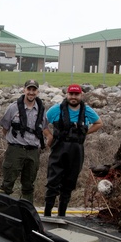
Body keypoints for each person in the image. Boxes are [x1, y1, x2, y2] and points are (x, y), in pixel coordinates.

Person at [43, 84, 102, 217]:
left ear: (81, 95)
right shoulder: (56, 109)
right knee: (53, 182)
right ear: (67, 95)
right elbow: (42, 123)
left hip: (76, 150)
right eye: (71, 94)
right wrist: (49, 136)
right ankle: (47, 214)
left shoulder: (86, 110)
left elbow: (99, 123)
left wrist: (85, 133)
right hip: (59, 148)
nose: (73, 97)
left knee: (69, 183)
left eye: (76, 95)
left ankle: (62, 215)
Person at [0, 79, 48, 203]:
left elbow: (44, 129)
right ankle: (3, 210)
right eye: (29, 89)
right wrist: (13, 142)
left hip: (33, 152)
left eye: (34, 90)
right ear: (24, 90)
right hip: (16, 150)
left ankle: (27, 211)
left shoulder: (42, 109)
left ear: (37, 91)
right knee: (7, 183)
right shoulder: (13, 108)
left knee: (29, 185)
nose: (31, 92)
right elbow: (5, 128)